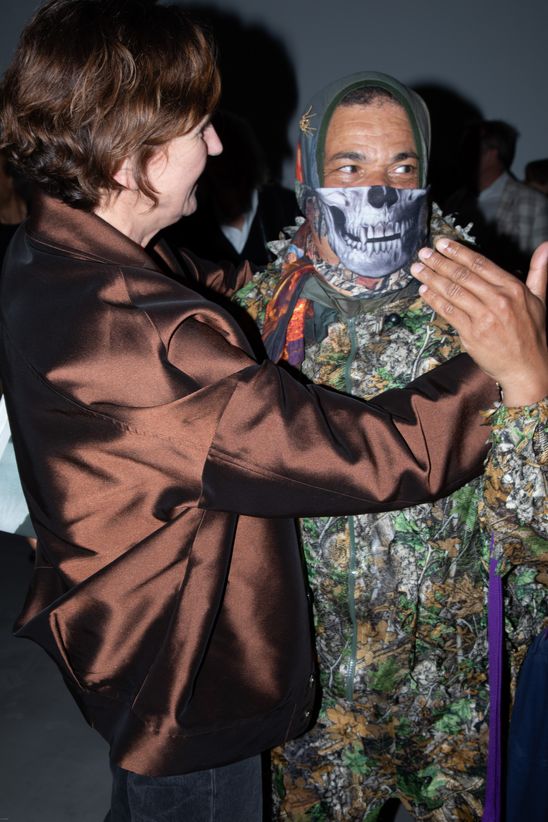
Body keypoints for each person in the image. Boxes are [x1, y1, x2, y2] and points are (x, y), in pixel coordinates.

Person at [234, 72, 548, 821]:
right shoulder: (255, 320)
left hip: (452, 699)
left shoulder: (483, 308)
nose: (379, 192)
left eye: (402, 168)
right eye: (351, 168)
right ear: (309, 171)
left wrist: (532, 384)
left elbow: (537, 545)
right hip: (314, 704)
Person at [162, 110, 300, 267]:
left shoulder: (294, 210)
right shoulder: (183, 226)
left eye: (234, 160)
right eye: (214, 166)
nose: (224, 169)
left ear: (250, 160)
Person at [445, 120, 548, 275]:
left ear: (492, 154)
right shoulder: (455, 200)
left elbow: (541, 266)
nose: (461, 154)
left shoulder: (533, 202)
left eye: (470, 148)